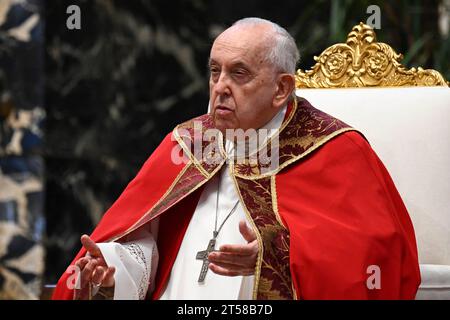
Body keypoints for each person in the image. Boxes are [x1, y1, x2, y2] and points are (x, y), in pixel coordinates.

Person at [52, 17, 421, 300]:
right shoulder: (188, 142)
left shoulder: (336, 149)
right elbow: (149, 243)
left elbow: (377, 264)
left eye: (238, 73)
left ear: (282, 89)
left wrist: (276, 259)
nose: (219, 87)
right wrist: (115, 266)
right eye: (215, 71)